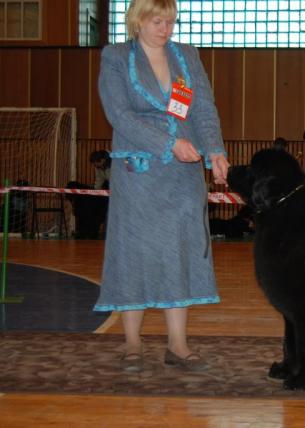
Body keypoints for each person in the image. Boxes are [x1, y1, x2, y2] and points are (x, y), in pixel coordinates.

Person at [94, 0, 229, 373]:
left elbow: (202, 108)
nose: (166, 29)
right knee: (133, 252)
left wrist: (214, 150)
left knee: (179, 252)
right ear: (138, 20)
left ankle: (178, 344)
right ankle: (132, 342)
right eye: (158, 21)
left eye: (170, 22)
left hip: (183, 175)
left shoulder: (185, 55)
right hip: (139, 171)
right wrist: (168, 144)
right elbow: (118, 114)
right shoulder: (117, 56)